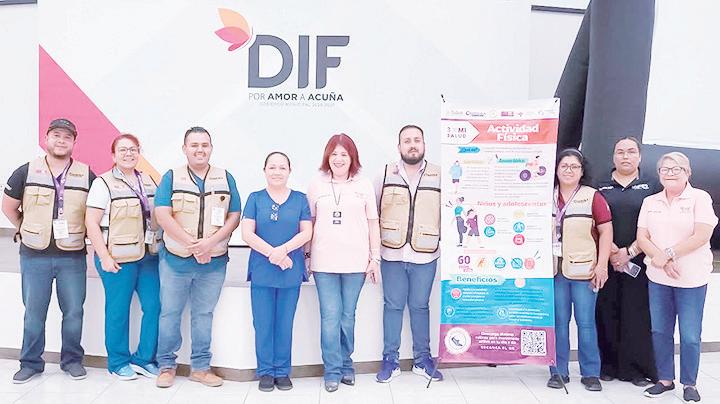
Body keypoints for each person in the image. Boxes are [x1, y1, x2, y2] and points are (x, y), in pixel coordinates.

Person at [2, 118, 95, 383]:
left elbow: (94, 213)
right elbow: (8, 206)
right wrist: (26, 228)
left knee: (74, 312)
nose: (61, 141)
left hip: (72, 256)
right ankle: (30, 363)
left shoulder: (87, 175)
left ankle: (72, 361)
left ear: (74, 142)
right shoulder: (26, 171)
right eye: (56, 135)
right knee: (34, 313)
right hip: (34, 256)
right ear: (46, 139)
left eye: (67, 137)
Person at [153, 127, 241, 388]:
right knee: (170, 314)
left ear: (211, 148)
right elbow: (162, 215)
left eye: (205, 145)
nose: (200, 149)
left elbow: (234, 215)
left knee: (203, 315)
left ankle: (200, 368)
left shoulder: (225, 177)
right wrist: (193, 245)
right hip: (175, 261)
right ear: (184, 149)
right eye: (194, 145)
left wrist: (209, 244)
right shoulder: (171, 177)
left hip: (213, 263)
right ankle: (166, 366)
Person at [637, 152, 717, 402]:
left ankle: (689, 383)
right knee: (660, 331)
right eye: (665, 169)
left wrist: (669, 254)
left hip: (691, 279)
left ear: (688, 172)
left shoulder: (700, 198)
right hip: (659, 277)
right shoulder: (650, 201)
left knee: (690, 335)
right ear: (659, 174)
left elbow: (702, 235)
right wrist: (661, 259)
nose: (670, 173)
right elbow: (642, 238)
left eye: (676, 168)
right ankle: (664, 379)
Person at [306, 133, 380, 392]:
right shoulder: (316, 184)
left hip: (356, 263)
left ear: (352, 158)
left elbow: (373, 223)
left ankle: (347, 365)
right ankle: (332, 370)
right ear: (327, 156)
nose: (338, 159)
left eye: (344, 154)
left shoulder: (364, 184)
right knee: (330, 317)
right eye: (334, 154)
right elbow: (309, 223)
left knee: (347, 317)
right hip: (323, 263)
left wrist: (375, 258)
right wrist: (306, 255)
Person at [85, 134, 161, 380]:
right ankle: (118, 362)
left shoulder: (148, 180)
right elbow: (91, 223)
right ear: (113, 155)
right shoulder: (103, 183)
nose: (129, 154)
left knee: (155, 306)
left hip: (147, 257)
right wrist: (104, 257)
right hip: (116, 258)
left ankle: (144, 359)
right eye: (123, 150)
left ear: (139, 153)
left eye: (133, 149)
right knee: (118, 310)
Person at [374, 125, 443, 383]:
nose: (412, 145)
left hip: (426, 255)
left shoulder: (440, 175)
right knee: (392, 307)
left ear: (424, 144)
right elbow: (373, 213)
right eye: (407, 141)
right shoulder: (384, 174)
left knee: (420, 306)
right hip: (391, 254)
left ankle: (422, 360)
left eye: (417, 140)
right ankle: (390, 361)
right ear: (399, 146)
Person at [241, 152, 312, 392]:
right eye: (272, 167)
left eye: (282, 167)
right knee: (263, 324)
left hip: (290, 271)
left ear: (289, 171)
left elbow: (307, 232)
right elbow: (247, 234)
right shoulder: (255, 198)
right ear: (264, 170)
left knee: (284, 323)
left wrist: (283, 251)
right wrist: (273, 254)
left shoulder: (300, 199)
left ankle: (282, 372)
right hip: (262, 270)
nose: (277, 171)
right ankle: (265, 372)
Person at [547, 148, 612, 392]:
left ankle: (591, 373)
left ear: (582, 171)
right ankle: (558, 371)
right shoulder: (546, 195)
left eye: (574, 166)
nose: (569, 170)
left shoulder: (592, 196)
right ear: (556, 169)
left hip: (584, 271)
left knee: (585, 323)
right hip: (554, 272)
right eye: (564, 165)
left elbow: (606, 231)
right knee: (558, 323)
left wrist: (602, 265)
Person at [595, 137, 658, 386]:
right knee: (606, 312)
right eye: (620, 152)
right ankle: (608, 366)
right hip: (606, 260)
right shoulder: (600, 185)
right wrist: (611, 251)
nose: (625, 156)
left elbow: (656, 224)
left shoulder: (651, 185)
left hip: (639, 262)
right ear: (613, 156)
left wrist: (629, 252)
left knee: (636, 315)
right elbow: (592, 220)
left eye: (631, 152)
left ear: (639, 157)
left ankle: (635, 370)